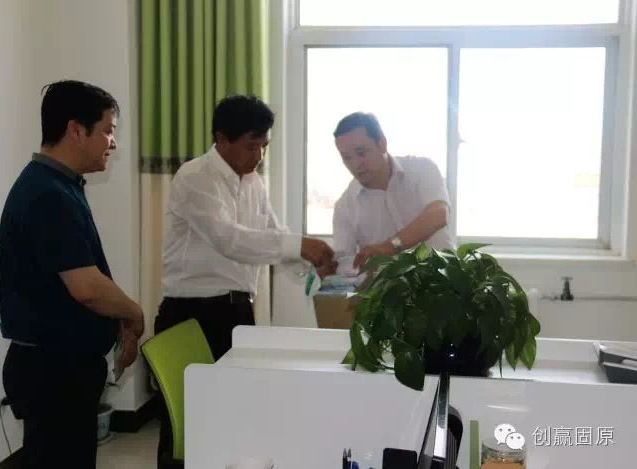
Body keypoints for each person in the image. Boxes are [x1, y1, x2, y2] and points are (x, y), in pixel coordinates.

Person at [155, 94, 334, 465]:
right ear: (222, 139)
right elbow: (230, 240)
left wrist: (309, 264)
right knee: (187, 421)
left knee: (232, 413)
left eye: (265, 146)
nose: (259, 156)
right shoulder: (196, 177)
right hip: (191, 314)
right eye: (252, 146)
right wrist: (300, 245)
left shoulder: (253, 182)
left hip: (235, 312)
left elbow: (271, 235)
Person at [0, 80, 144, 469]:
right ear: (76, 130)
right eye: (108, 130)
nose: (113, 142)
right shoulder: (48, 195)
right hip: (53, 373)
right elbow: (86, 287)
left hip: (60, 368)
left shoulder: (60, 185)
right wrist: (133, 313)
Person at [332, 112, 454, 269]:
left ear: (382, 144)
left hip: (443, 278)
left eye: (361, 153)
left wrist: (388, 246)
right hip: (388, 285)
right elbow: (344, 265)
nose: (355, 164)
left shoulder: (422, 169)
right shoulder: (344, 207)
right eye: (347, 157)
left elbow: (438, 215)